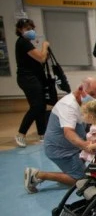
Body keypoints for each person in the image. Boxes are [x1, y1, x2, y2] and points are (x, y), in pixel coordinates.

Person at [24, 77, 96, 193]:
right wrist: (86, 146)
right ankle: (37, 175)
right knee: (82, 180)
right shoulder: (68, 105)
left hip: (71, 147)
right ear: (81, 89)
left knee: (85, 169)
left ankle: (71, 171)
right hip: (60, 150)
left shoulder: (81, 102)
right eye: (92, 94)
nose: (94, 98)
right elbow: (68, 132)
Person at [14, 18, 50, 148]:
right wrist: (45, 46)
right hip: (27, 79)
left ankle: (42, 134)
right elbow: (41, 58)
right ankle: (21, 133)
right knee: (36, 106)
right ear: (20, 30)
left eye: (31, 28)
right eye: (27, 29)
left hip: (34, 78)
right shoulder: (23, 42)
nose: (31, 31)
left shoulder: (26, 42)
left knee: (41, 106)